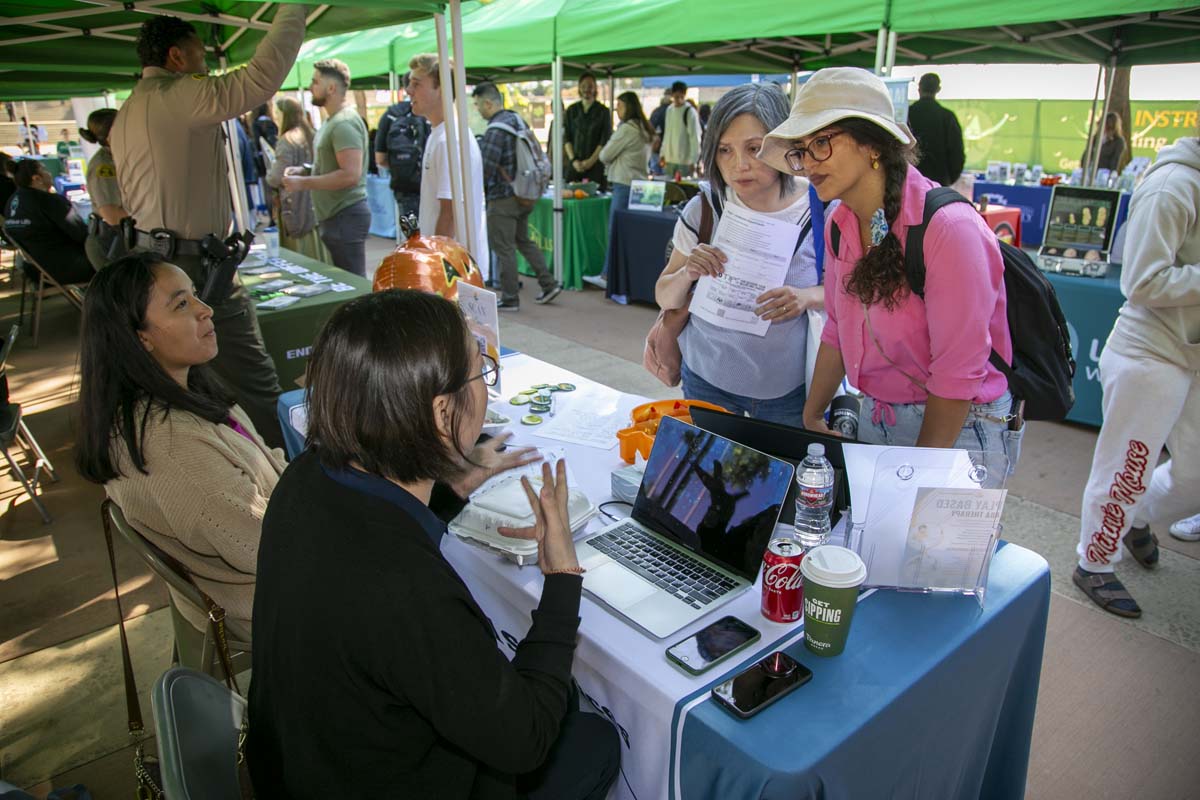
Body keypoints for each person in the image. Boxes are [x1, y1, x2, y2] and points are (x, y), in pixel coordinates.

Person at [247, 290, 621, 800]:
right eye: (480, 373)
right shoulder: (402, 586)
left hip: (302, 765)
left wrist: (449, 482)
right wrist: (559, 579)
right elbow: (524, 740)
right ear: (443, 413)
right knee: (593, 738)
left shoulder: (304, 478)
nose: (486, 388)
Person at [759, 67, 1021, 465]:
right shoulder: (839, 222)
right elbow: (837, 329)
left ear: (873, 145)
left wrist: (917, 472)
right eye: (801, 150)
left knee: (923, 529)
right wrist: (812, 413)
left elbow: (957, 375)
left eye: (822, 143)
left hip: (963, 426)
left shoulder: (949, 230)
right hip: (877, 416)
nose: (809, 163)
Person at [111, 8, 306, 450]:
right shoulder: (180, 94)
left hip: (153, 260)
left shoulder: (128, 110)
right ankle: (287, 471)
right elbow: (260, 78)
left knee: (183, 377)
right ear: (178, 57)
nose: (206, 67)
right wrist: (293, 10)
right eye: (200, 57)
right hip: (192, 264)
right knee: (254, 380)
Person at [75, 252, 286, 633]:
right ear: (141, 338)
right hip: (270, 601)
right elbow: (270, 548)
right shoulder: (173, 450)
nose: (205, 310)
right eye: (182, 304)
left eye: (195, 295)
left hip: (276, 554)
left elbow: (264, 464)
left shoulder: (184, 390)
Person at [1072, 134, 1200, 618]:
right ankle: (1095, 561)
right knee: (1127, 466)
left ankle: (1136, 520)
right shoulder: (1171, 186)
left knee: (1194, 470)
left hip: (1190, 353)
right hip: (1150, 350)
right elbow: (1141, 280)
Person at [654, 83, 821, 426]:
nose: (739, 164)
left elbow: (849, 295)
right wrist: (688, 273)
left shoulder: (820, 210)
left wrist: (804, 297)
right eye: (725, 150)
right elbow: (664, 295)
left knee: (781, 474)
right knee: (712, 475)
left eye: (755, 148)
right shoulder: (705, 207)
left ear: (784, 144)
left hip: (786, 390)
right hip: (706, 378)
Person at [473, 82, 561, 311]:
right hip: (525, 193)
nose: (477, 110)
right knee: (523, 240)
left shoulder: (495, 130)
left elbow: (485, 168)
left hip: (503, 197)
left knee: (503, 247)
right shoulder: (517, 121)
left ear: (488, 102)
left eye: (477, 104)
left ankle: (510, 297)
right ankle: (548, 283)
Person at [281, 59, 370, 277]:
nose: (312, 86)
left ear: (331, 88)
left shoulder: (343, 123)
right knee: (347, 282)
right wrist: (305, 170)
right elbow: (333, 166)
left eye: (315, 81)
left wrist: (303, 183)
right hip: (337, 216)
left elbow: (350, 174)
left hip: (344, 214)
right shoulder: (334, 121)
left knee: (353, 285)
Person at [407, 53, 489, 275]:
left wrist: (435, 266)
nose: (408, 91)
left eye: (416, 84)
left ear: (441, 89)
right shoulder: (441, 134)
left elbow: (450, 213)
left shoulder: (449, 139)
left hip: (454, 271)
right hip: (454, 266)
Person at [3, 159, 94, 286]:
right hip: (67, 268)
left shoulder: (12, 202)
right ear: (37, 178)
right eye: (45, 170)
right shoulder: (48, 201)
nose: (49, 174)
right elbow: (82, 234)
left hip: (35, 270)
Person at [594, 90, 653, 287]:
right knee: (632, 234)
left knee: (616, 232)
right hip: (641, 185)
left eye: (619, 106)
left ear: (628, 107)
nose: (617, 110)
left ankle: (607, 275)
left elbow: (605, 155)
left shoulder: (627, 129)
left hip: (624, 183)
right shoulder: (644, 128)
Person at [266, 97, 331, 263]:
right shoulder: (311, 134)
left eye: (277, 114)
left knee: (300, 257)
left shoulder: (287, 140)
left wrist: (269, 175)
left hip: (296, 206)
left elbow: (276, 177)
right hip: (315, 203)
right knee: (317, 254)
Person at [375, 72, 430, 227]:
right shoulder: (429, 111)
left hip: (405, 188)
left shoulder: (391, 115)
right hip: (432, 186)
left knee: (413, 239)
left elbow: (380, 159)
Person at [77, 108, 128, 269]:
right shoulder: (104, 166)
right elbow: (112, 215)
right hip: (110, 242)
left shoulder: (117, 158)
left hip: (116, 239)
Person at [907, 73, 965, 187]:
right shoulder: (947, 117)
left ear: (919, 88)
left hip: (908, 181)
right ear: (938, 89)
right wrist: (949, 178)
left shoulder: (906, 115)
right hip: (939, 182)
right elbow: (957, 152)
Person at [563, 72, 611, 190]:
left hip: (595, 166)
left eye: (590, 86)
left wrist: (590, 162)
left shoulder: (603, 111)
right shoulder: (571, 110)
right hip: (574, 166)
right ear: (579, 88)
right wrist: (574, 161)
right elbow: (566, 138)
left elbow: (604, 139)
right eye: (583, 86)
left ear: (595, 88)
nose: (586, 89)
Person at [661, 81, 701, 179]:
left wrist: (693, 160)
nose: (678, 100)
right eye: (676, 97)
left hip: (684, 162)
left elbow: (695, 137)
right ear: (672, 95)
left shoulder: (690, 112)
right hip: (669, 160)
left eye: (681, 97)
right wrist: (663, 153)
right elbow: (667, 134)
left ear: (684, 95)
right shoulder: (669, 110)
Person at [1082, 111, 1127, 176]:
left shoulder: (1118, 141)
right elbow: (1086, 154)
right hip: (1089, 172)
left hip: (1103, 174)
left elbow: (1115, 160)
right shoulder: (1095, 138)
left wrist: (1111, 174)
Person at [648, 91, 671, 176]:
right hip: (667, 151)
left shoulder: (655, 111)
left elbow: (650, 127)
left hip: (655, 149)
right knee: (666, 176)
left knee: (656, 175)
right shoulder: (671, 111)